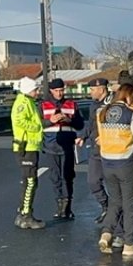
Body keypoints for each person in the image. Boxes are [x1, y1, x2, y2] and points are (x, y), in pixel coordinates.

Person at [97, 83, 133, 257]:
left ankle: (106, 233)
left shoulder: (102, 112)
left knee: (115, 201)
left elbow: (100, 137)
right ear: (129, 96)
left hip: (107, 163)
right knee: (129, 204)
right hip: (125, 162)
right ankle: (129, 244)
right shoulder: (132, 115)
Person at [40, 78, 84, 220]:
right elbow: (37, 124)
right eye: (56, 91)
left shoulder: (72, 104)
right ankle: (59, 206)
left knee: (68, 177)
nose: (59, 93)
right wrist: (50, 121)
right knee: (55, 177)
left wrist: (70, 120)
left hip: (67, 145)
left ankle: (67, 207)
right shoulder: (43, 105)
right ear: (51, 91)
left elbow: (80, 124)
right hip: (50, 145)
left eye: (61, 90)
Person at [78, 77, 113, 247]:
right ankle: (105, 206)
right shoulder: (93, 105)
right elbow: (91, 124)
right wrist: (83, 137)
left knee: (113, 184)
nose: (91, 92)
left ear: (101, 88)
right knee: (93, 181)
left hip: (111, 149)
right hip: (95, 149)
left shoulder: (114, 102)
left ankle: (115, 215)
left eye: (92, 89)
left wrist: (106, 136)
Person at [10, 76, 46, 230]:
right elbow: (19, 120)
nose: (37, 92)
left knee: (29, 182)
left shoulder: (29, 102)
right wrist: (35, 128)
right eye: (35, 89)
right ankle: (26, 215)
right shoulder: (23, 103)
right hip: (26, 147)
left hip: (31, 146)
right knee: (30, 182)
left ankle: (24, 212)